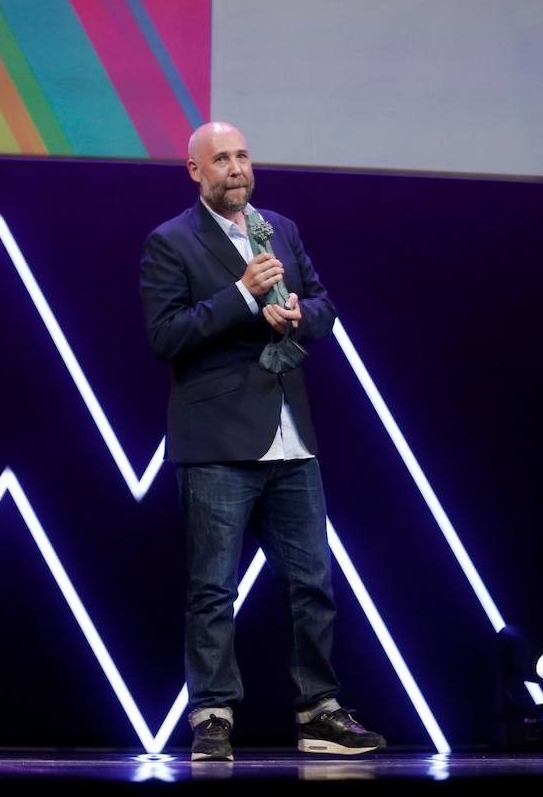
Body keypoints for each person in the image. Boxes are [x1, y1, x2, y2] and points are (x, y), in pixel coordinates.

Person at [140, 121, 386, 761]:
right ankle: (213, 716)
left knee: (312, 582)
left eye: (243, 156)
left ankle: (319, 712)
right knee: (213, 588)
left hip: (292, 437)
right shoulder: (170, 242)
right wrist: (244, 297)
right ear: (195, 171)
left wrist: (300, 313)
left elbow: (326, 306)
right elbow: (166, 336)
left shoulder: (280, 228)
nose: (236, 168)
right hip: (218, 440)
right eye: (221, 159)